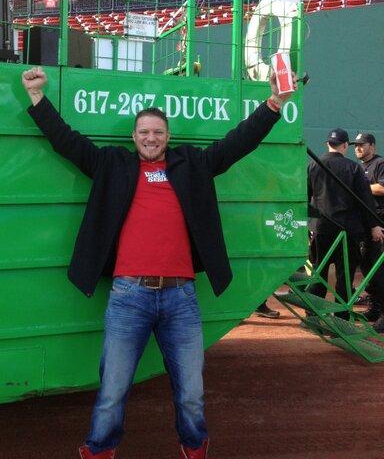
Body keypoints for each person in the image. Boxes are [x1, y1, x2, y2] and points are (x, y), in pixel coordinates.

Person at [22, 66, 296, 459]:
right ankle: (99, 449)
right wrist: (36, 96)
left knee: (191, 392)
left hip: (180, 297)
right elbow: (66, 141)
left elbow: (239, 142)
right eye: (144, 132)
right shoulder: (111, 165)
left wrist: (274, 103)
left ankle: (194, 446)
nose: (151, 138)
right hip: (128, 295)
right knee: (113, 388)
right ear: (134, 138)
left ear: (168, 137)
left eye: (158, 132)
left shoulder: (192, 165)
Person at [307, 129, 384, 315]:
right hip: (346, 231)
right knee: (345, 275)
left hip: (321, 228)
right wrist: (374, 225)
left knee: (319, 272)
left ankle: (312, 314)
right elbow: (365, 201)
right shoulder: (353, 168)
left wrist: (308, 225)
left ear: (327, 144)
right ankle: (341, 316)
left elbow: (305, 197)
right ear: (344, 146)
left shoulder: (312, 166)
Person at [353, 133, 384, 332]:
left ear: (371, 146)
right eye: (355, 145)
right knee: (366, 266)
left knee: (380, 270)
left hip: (380, 224)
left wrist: (361, 187)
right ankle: (375, 308)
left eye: (361, 145)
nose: (358, 148)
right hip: (365, 225)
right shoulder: (358, 167)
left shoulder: (380, 163)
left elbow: (381, 188)